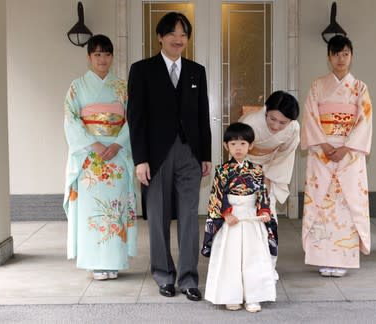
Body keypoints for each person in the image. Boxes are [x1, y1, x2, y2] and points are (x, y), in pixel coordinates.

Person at [126, 12, 211, 301]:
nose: (179, 39)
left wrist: (205, 155)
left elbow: (202, 117)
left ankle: (189, 279)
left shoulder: (196, 71)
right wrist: (140, 159)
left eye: (184, 35)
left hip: (189, 154)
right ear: (160, 37)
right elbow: (135, 119)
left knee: (189, 216)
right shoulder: (142, 70)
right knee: (158, 218)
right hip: (155, 156)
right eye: (173, 33)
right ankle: (163, 275)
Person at [63, 35, 137, 280]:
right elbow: (71, 120)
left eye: (106, 54)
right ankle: (95, 262)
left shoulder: (122, 86)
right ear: (89, 57)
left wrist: (117, 144)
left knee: (115, 209)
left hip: (116, 156)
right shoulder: (77, 87)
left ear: (112, 57)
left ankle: (114, 261)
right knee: (91, 210)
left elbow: (133, 119)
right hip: (90, 158)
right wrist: (93, 144)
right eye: (97, 54)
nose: (102, 59)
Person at [300, 35, 372, 277]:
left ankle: (344, 259)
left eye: (345, 54)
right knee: (322, 203)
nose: (341, 59)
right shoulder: (317, 86)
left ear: (351, 56)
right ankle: (321, 255)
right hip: (322, 152)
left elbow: (364, 120)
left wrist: (346, 147)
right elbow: (310, 117)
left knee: (346, 203)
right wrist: (324, 144)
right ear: (328, 57)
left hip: (349, 154)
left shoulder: (360, 87)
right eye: (336, 54)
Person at [202, 122, 276, 313]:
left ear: (250, 146)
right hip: (232, 218)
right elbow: (216, 195)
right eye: (233, 144)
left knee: (254, 256)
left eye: (243, 144)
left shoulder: (257, 170)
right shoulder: (222, 170)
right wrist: (226, 213)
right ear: (227, 146)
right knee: (230, 257)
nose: (238, 148)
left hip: (251, 217)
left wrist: (264, 212)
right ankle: (230, 295)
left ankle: (254, 297)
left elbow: (262, 194)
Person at [239, 90, 300, 280]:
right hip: (246, 165)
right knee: (245, 217)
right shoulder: (249, 122)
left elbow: (284, 154)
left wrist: (269, 177)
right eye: (272, 119)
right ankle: (243, 266)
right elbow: (237, 149)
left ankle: (269, 265)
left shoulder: (293, 129)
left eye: (283, 122)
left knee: (269, 216)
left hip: (272, 169)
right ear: (265, 110)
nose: (276, 125)